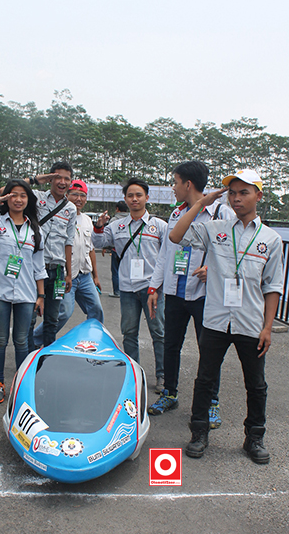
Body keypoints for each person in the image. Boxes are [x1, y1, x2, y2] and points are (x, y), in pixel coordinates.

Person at [169, 168, 283, 463]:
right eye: (232, 193)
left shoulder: (270, 240)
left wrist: (267, 327)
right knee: (205, 379)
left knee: (256, 384)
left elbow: (272, 287)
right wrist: (200, 203)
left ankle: (254, 437)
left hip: (251, 323)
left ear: (258, 196)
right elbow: (176, 236)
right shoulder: (215, 229)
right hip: (216, 320)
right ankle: (199, 432)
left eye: (244, 192)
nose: (236, 198)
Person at [147, 161, 235, 424]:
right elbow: (165, 254)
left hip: (205, 294)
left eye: (175, 182)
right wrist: (154, 287)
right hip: (175, 292)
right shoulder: (177, 213)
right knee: (171, 344)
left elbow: (235, 252)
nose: (173, 188)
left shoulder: (221, 212)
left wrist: (214, 269)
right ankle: (170, 393)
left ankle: (211, 402)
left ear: (188, 184)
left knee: (209, 349)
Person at [92, 177, 166, 389]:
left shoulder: (159, 226)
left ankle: (163, 375)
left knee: (158, 333)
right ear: (125, 199)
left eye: (139, 195)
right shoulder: (117, 226)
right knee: (129, 333)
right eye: (130, 195)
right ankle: (134, 374)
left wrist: (157, 286)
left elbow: (166, 258)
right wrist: (99, 227)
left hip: (152, 289)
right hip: (127, 289)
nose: (134, 199)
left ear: (147, 198)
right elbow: (99, 242)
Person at [0, 180, 47, 404]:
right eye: (13, 195)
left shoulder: (35, 229)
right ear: (6, 198)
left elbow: (39, 266)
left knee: (22, 341)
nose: (18, 199)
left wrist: (41, 295)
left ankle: (21, 384)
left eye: (23, 195)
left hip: (26, 293)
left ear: (29, 200)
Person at [34, 179, 103, 341]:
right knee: (63, 312)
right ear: (67, 195)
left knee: (96, 309)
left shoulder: (87, 220)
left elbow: (91, 249)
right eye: (75, 195)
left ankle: (93, 341)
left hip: (84, 275)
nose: (79, 199)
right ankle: (36, 339)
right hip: (65, 274)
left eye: (82, 195)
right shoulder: (62, 215)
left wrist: (96, 275)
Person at [25, 162, 77, 348]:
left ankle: (46, 356)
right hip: (34, 269)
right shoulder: (36, 197)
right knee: (30, 318)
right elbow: (8, 190)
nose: (62, 182)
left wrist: (68, 273)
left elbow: (68, 242)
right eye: (57, 177)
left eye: (66, 179)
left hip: (57, 272)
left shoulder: (71, 208)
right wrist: (36, 179)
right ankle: (28, 357)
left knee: (52, 320)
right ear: (50, 179)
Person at [102, 200, 129, 298]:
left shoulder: (114, 220)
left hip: (115, 250)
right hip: (128, 251)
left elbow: (108, 236)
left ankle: (117, 291)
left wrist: (105, 247)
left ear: (117, 209)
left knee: (115, 271)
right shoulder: (131, 219)